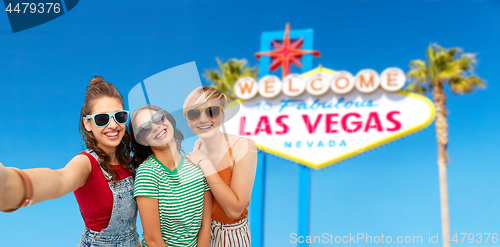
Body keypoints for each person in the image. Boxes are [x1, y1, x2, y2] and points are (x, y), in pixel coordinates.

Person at [0, 76, 140, 246]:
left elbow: (128, 229)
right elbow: (60, 179)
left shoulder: (129, 164)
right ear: (87, 124)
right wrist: (12, 185)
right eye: (102, 119)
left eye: (119, 116)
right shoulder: (85, 164)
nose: (113, 124)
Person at [183, 86, 257, 247]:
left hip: (231, 234)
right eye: (194, 113)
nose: (203, 119)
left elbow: (234, 210)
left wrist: (205, 164)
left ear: (222, 115)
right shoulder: (198, 145)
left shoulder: (243, 146)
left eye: (212, 111)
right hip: (202, 232)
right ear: (188, 121)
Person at [130, 105, 212, 247]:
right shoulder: (147, 174)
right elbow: (152, 240)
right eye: (145, 129)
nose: (155, 127)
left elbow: (205, 226)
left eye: (158, 118)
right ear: (143, 141)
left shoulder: (197, 167)